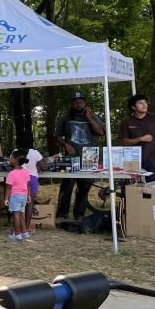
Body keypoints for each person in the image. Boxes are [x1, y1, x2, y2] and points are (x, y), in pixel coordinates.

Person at [54, 92, 104, 221]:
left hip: (90, 156)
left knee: (85, 186)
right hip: (70, 156)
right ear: (72, 104)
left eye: (81, 102)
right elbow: (57, 136)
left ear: (85, 103)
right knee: (66, 186)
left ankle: (79, 214)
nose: (78, 104)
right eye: (76, 102)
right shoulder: (65, 118)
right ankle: (62, 214)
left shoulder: (92, 117)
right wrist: (66, 145)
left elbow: (100, 132)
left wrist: (89, 117)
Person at [118, 93, 155, 180]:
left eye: (145, 103)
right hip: (134, 160)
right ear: (133, 107)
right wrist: (140, 139)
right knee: (134, 189)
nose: (144, 105)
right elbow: (124, 141)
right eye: (140, 103)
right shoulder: (127, 122)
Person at [19, 141, 46, 234]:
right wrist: (37, 167)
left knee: (19, 204)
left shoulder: (16, 151)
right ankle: (26, 228)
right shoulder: (35, 153)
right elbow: (44, 167)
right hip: (32, 178)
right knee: (30, 204)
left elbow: (11, 164)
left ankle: (17, 227)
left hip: (19, 178)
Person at [4, 149, 31, 241]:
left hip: (15, 196)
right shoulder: (26, 172)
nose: (9, 159)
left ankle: (17, 234)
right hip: (24, 196)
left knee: (16, 215)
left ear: (15, 160)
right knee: (20, 215)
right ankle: (25, 232)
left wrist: (6, 198)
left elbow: (8, 187)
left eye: (11, 157)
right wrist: (28, 196)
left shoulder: (11, 174)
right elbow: (28, 185)